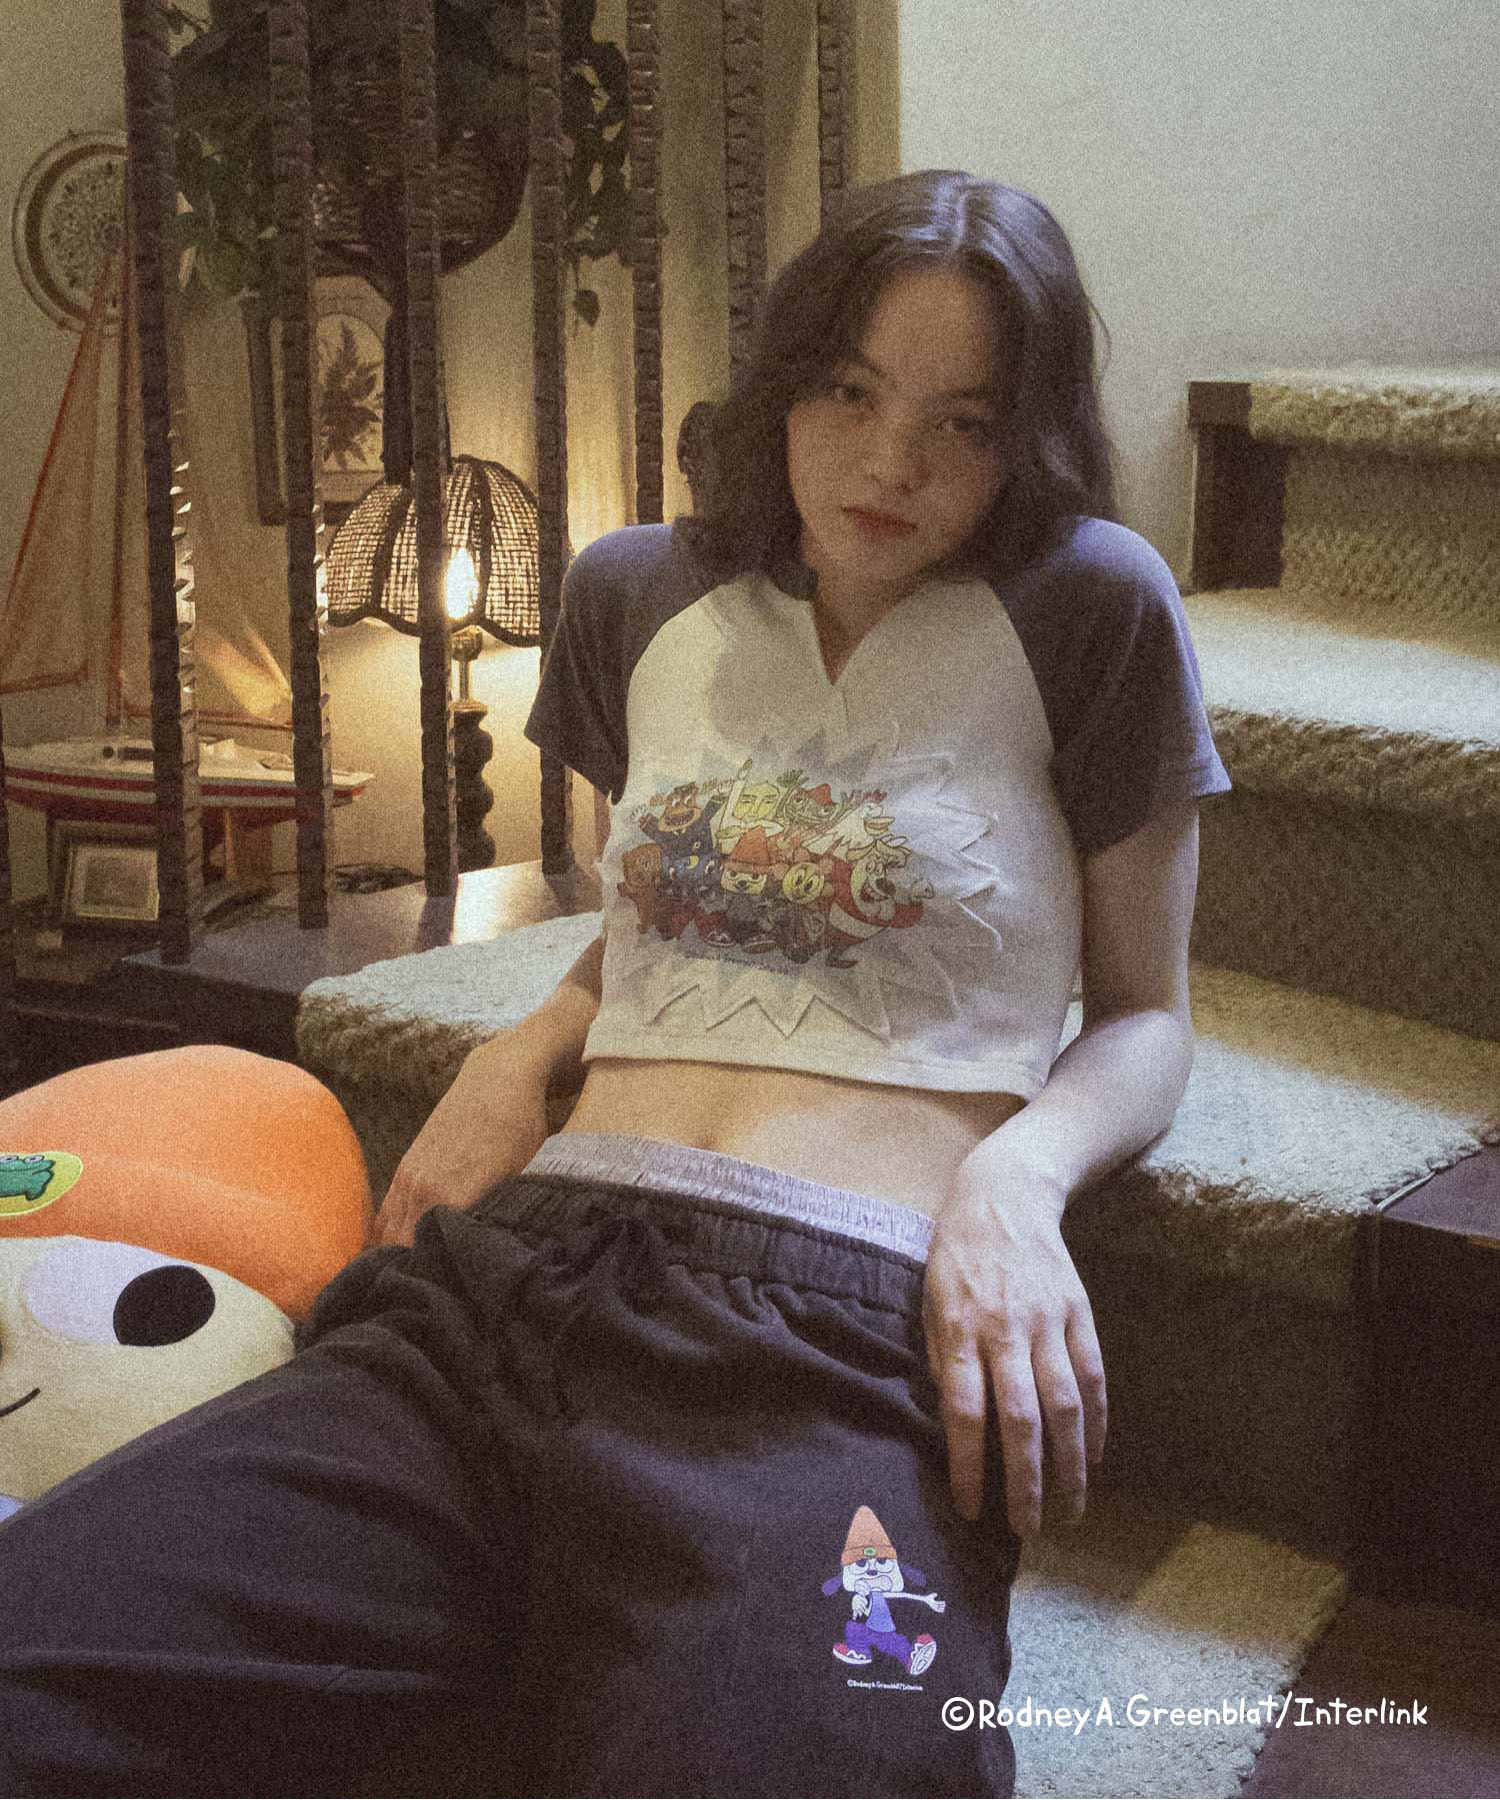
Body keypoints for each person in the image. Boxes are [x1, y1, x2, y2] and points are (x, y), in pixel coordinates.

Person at [0, 170, 1229, 1798]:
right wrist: (531, 1037)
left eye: (965, 422)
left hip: (837, 1342)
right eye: (849, 391)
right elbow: (672, 927)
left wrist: (1017, 1183)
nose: (890, 461)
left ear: (1030, 440)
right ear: (782, 383)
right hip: (511, 1292)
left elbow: (1146, 1016)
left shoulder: (1093, 606)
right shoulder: (634, 591)